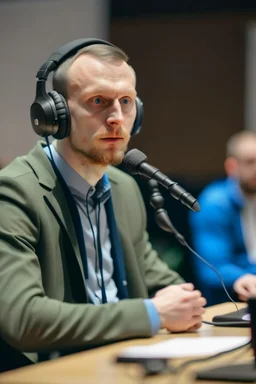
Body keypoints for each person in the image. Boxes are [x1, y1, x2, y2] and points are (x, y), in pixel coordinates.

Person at [0, 38, 206, 370]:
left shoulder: (124, 188)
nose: (116, 118)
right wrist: (151, 313)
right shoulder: (14, 192)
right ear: (56, 114)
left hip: (121, 362)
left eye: (126, 101)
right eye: (98, 101)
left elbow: (150, 272)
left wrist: (213, 296)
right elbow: (24, 318)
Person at [189, 130, 256, 306]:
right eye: (251, 162)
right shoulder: (214, 203)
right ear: (232, 167)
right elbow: (213, 268)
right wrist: (244, 277)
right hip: (228, 302)